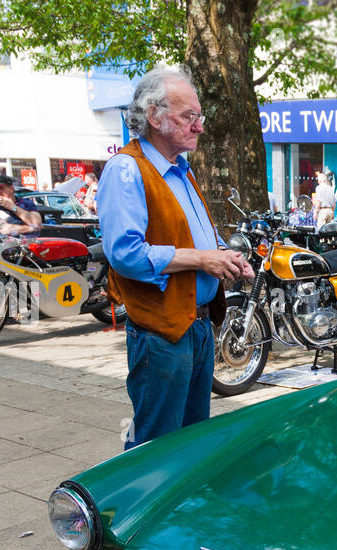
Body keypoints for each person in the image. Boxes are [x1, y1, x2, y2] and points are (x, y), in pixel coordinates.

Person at [97, 67, 254, 450]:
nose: (199, 126)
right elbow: (124, 254)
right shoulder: (126, 169)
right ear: (154, 116)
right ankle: (141, 509)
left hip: (197, 326)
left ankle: (182, 510)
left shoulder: (181, 170)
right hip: (161, 332)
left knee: (191, 439)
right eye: (189, 117)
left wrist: (226, 257)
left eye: (199, 117)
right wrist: (202, 260)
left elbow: (198, 237)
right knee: (156, 443)